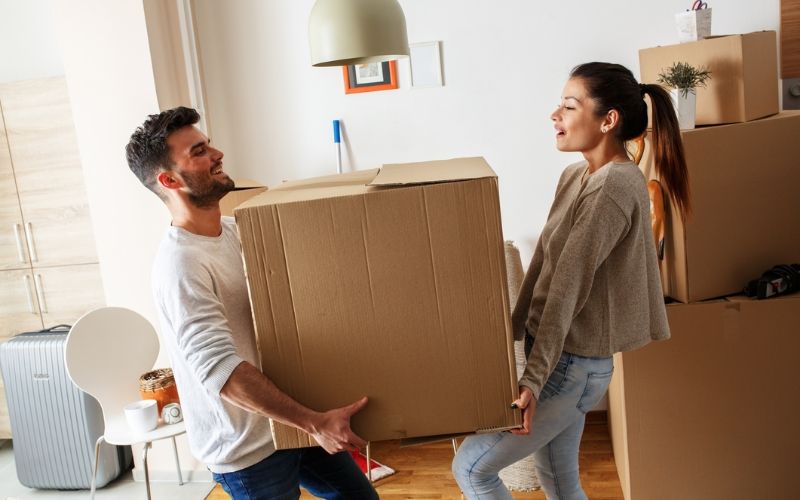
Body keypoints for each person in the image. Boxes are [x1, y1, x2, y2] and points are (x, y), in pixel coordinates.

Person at [452, 62, 690, 499]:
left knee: (470, 469)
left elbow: (567, 287)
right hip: (565, 360)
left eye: (569, 105)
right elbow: (545, 262)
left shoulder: (613, 187)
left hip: (570, 368)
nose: (555, 114)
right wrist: (506, 336)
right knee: (560, 482)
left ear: (608, 119)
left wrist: (533, 380)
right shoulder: (577, 175)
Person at [125, 107, 379, 499]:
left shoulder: (236, 231)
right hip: (247, 450)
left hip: (291, 421)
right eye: (199, 151)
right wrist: (314, 423)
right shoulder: (181, 265)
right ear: (169, 180)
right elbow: (221, 372)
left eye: (208, 144)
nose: (218, 154)